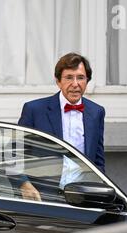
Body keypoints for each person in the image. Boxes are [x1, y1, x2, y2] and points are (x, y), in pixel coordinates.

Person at [17, 52, 105, 201]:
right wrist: (24, 184)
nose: (75, 84)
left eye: (80, 78)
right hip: (41, 198)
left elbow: (98, 161)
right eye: (69, 77)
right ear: (58, 81)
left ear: (87, 81)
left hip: (81, 199)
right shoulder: (34, 110)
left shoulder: (97, 112)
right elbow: (13, 154)